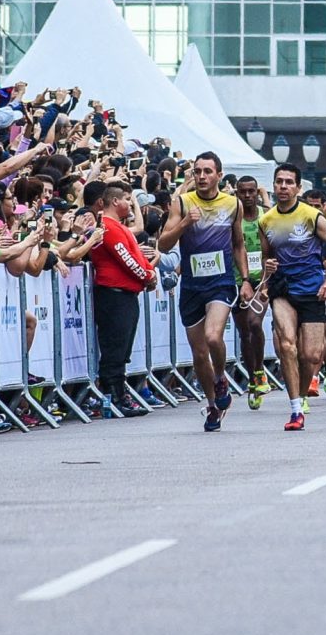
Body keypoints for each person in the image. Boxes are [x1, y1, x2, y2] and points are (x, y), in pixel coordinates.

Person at [156, 151, 252, 433]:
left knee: (213, 336)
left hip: (220, 282)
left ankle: (221, 377)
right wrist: (185, 224)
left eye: (207, 172)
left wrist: (245, 279)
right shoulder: (183, 203)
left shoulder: (232, 204)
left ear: (219, 175)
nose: (201, 176)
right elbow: (162, 244)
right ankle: (213, 405)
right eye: (197, 171)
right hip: (192, 286)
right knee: (199, 354)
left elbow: (238, 245)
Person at [261, 164, 326, 431]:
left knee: (311, 355)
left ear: (299, 188)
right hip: (283, 289)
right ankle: (295, 408)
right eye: (279, 182)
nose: (283, 187)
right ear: (274, 186)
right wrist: (268, 268)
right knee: (287, 346)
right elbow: (267, 256)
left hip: (312, 289)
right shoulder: (266, 221)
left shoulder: (311, 215)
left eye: (289, 182)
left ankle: (300, 393)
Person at [87, 183, 156, 417]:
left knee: (121, 348)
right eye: (128, 199)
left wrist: (149, 272)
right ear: (115, 202)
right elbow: (126, 258)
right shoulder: (107, 226)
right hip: (114, 294)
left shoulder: (118, 227)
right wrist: (147, 275)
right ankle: (115, 396)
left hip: (124, 294)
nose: (130, 203)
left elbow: (135, 254)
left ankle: (117, 393)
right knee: (115, 349)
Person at [233, 175, 271, 407]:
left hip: (262, 281)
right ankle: (252, 379)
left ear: (257, 193)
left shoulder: (266, 217)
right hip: (238, 281)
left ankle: (259, 371)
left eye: (251, 191)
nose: (247, 196)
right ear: (236, 193)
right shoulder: (232, 217)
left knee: (255, 323)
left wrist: (267, 282)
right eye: (243, 192)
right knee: (244, 332)